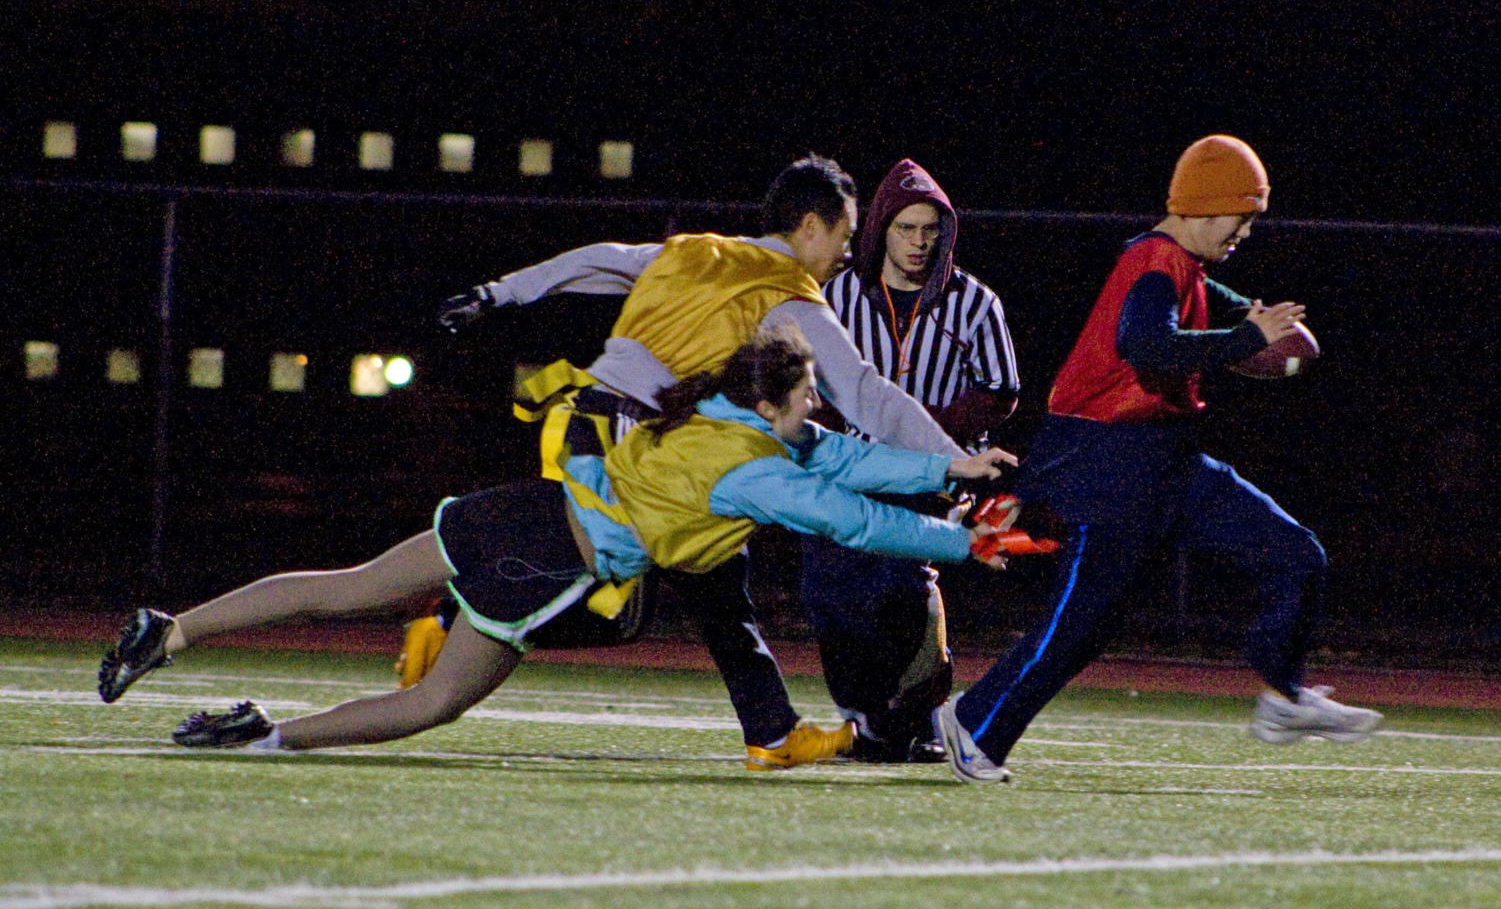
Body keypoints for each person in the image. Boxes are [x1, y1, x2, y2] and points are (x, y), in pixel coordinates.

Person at [100, 329, 1013, 770]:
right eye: (806, 397)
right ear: (771, 404)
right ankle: (269, 737)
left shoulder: (726, 411)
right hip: (545, 564)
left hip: (519, 511)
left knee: (350, 586)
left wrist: (949, 465)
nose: (815, 410)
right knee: (433, 703)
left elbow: (846, 457)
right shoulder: (752, 468)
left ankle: (170, 630)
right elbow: (849, 518)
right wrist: (960, 543)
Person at [431, 154, 1013, 762]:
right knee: (628, 606)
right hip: (643, 443)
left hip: (596, 423)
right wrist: (956, 465)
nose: (846, 252)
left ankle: (771, 731)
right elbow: (868, 396)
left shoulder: (699, 250)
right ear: (811, 226)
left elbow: (600, 259)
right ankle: (460, 613)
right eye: (844, 235)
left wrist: (497, 293)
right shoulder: (787, 295)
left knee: (716, 575)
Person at [932, 135, 1383, 785]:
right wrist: (1245, 338)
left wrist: (1261, 337)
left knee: (1294, 553)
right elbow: (1144, 344)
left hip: (1167, 461)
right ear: (1206, 206)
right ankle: (976, 723)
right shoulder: (1152, 260)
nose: (1245, 232)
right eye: (1242, 216)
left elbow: (1266, 337)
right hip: (1103, 466)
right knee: (1081, 624)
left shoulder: (1188, 270)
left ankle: (1284, 697)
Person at [801, 158, 1021, 762]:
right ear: (881, 230)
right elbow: (809, 375)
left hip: (934, 471)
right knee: (826, 586)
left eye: (930, 229)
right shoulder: (837, 295)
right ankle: (863, 715)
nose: (920, 241)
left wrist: (927, 431)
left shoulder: (974, 302)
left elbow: (1001, 389)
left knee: (903, 583)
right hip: (850, 464)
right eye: (906, 228)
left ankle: (917, 717)